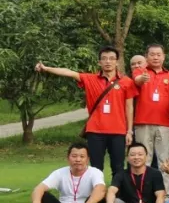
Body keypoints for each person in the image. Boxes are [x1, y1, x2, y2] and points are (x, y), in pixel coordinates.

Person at [36, 47, 137, 179]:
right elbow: (69, 72)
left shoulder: (126, 82)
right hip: (95, 130)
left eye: (112, 59)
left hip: (118, 131)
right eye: (104, 59)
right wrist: (46, 68)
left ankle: (116, 196)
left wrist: (129, 131)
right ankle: (96, 196)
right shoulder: (90, 79)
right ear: (99, 62)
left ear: (117, 62)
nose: (108, 62)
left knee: (118, 167)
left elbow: (129, 107)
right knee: (95, 168)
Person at [131, 43, 169, 192]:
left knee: (165, 160)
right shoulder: (140, 71)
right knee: (144, 159)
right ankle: (144, 194)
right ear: (146, 57)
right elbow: (137, 80)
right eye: (152, 54)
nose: (155, 57)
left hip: (164, 123)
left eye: (159, 54)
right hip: (143, 123)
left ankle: (167, 194)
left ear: (163, 57)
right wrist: (142, 79)